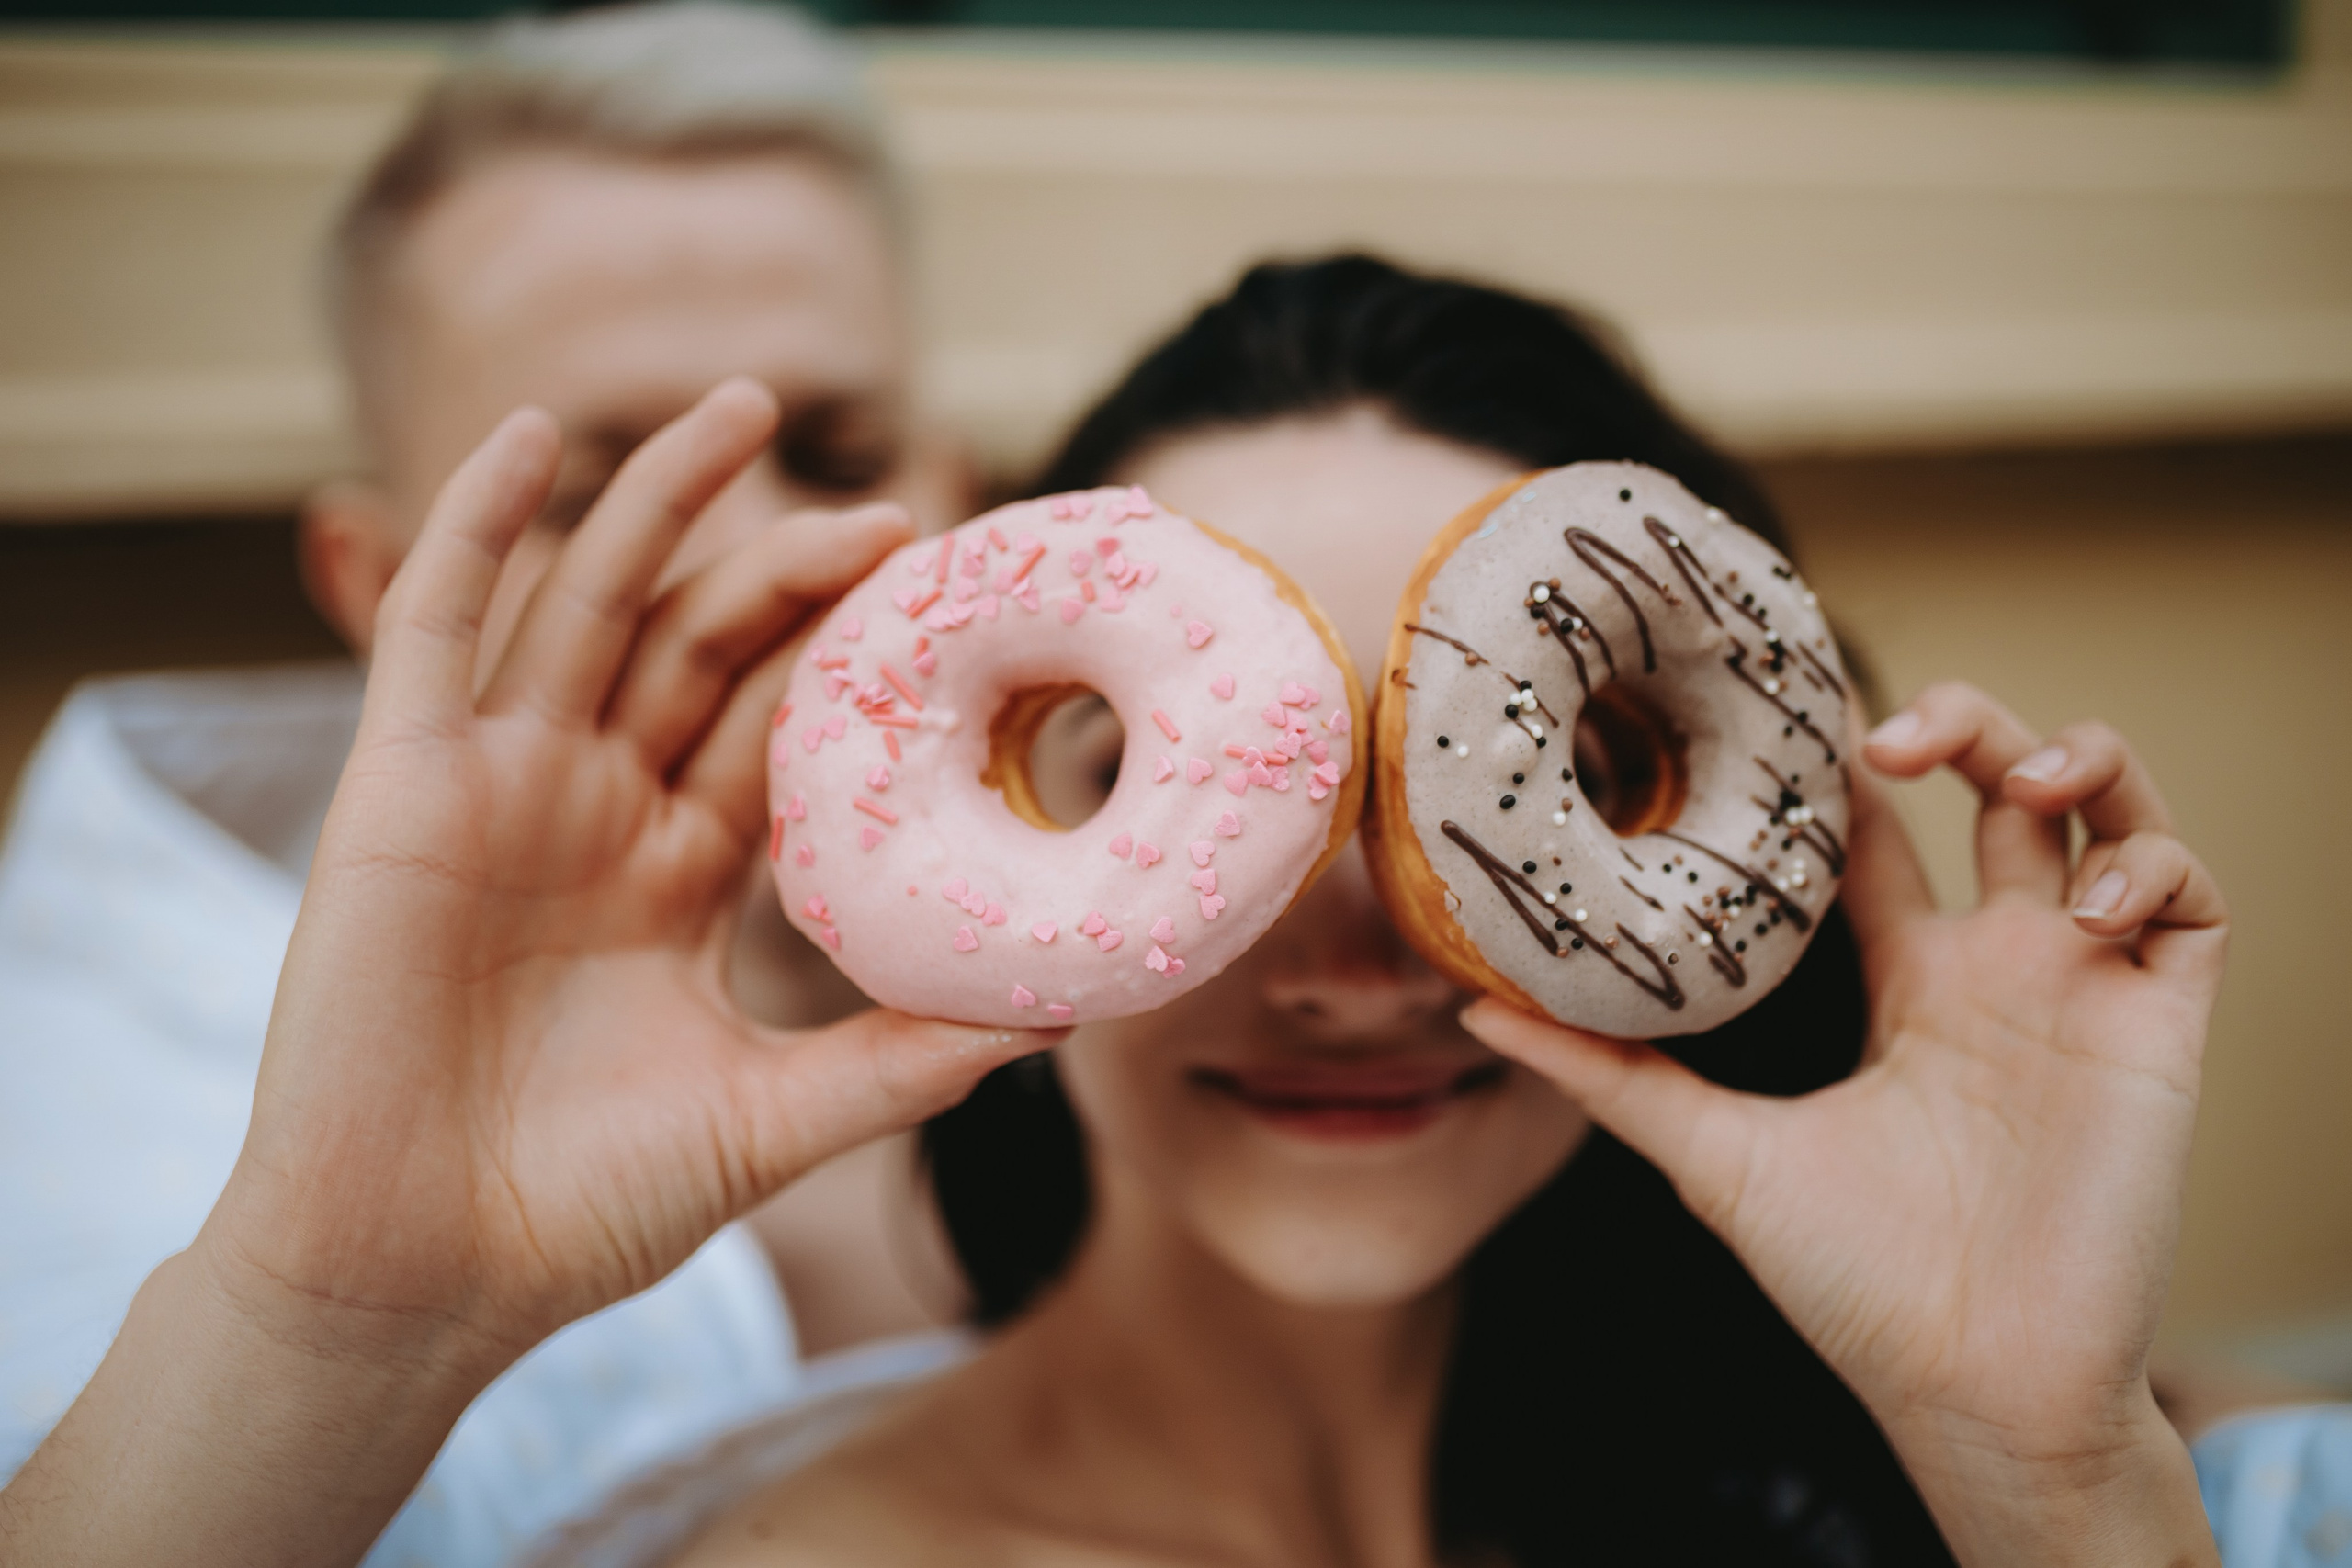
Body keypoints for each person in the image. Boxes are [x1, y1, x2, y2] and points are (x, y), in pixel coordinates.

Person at [3, 254, 2337, 1565]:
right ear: (1012, 804)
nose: (1349, 956)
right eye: (1197, 782)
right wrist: (321, 1326)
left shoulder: (2047, 1476)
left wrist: (2045, 1476)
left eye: (1496, 790)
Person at [0, 4, 968, 1562]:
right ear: (379, 580)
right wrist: (325, 1333)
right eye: (604, 492)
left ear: (956, 492)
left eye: (846, 455)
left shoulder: (1152, 960)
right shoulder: (79, 1130)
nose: (773, 550)